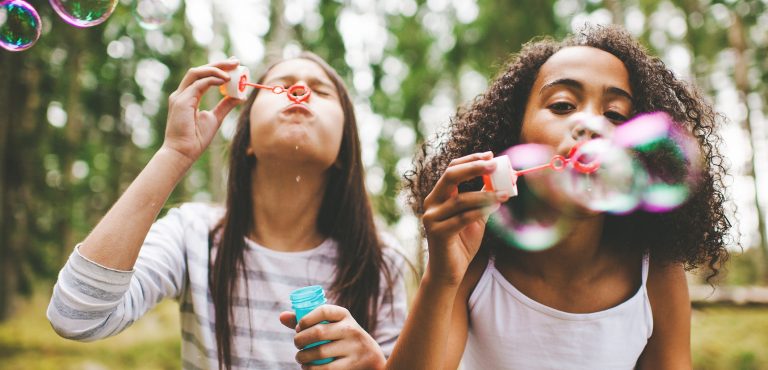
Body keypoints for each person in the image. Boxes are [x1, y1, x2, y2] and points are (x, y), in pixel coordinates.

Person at [387, 25, 730, 370]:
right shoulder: (477, 261)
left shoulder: (654, 269)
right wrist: (441, 279)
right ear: (512, 131)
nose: (590, 126)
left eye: (614, 114)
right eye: (563, 105)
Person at [47, 51, 408, 370]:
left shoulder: (379, 260)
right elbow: (76, 317)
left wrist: (376, 366)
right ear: (247, 138)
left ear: (344, 148)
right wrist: (174, 155)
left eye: (322, 90)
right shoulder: (193, 235)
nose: (300, 89)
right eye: (282, 84)